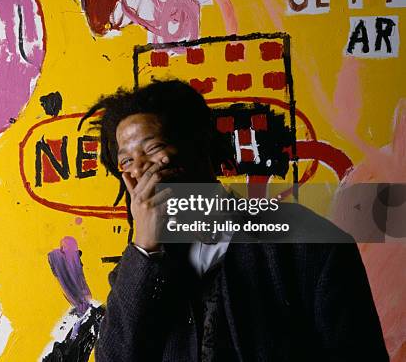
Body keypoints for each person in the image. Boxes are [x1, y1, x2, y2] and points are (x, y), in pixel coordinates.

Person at [80, 79, 388, 361]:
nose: (141, 169)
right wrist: (145, 250)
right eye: (127, 161)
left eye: (153, 149)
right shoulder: (139, 268)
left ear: (199, 145)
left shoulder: (307, 244)